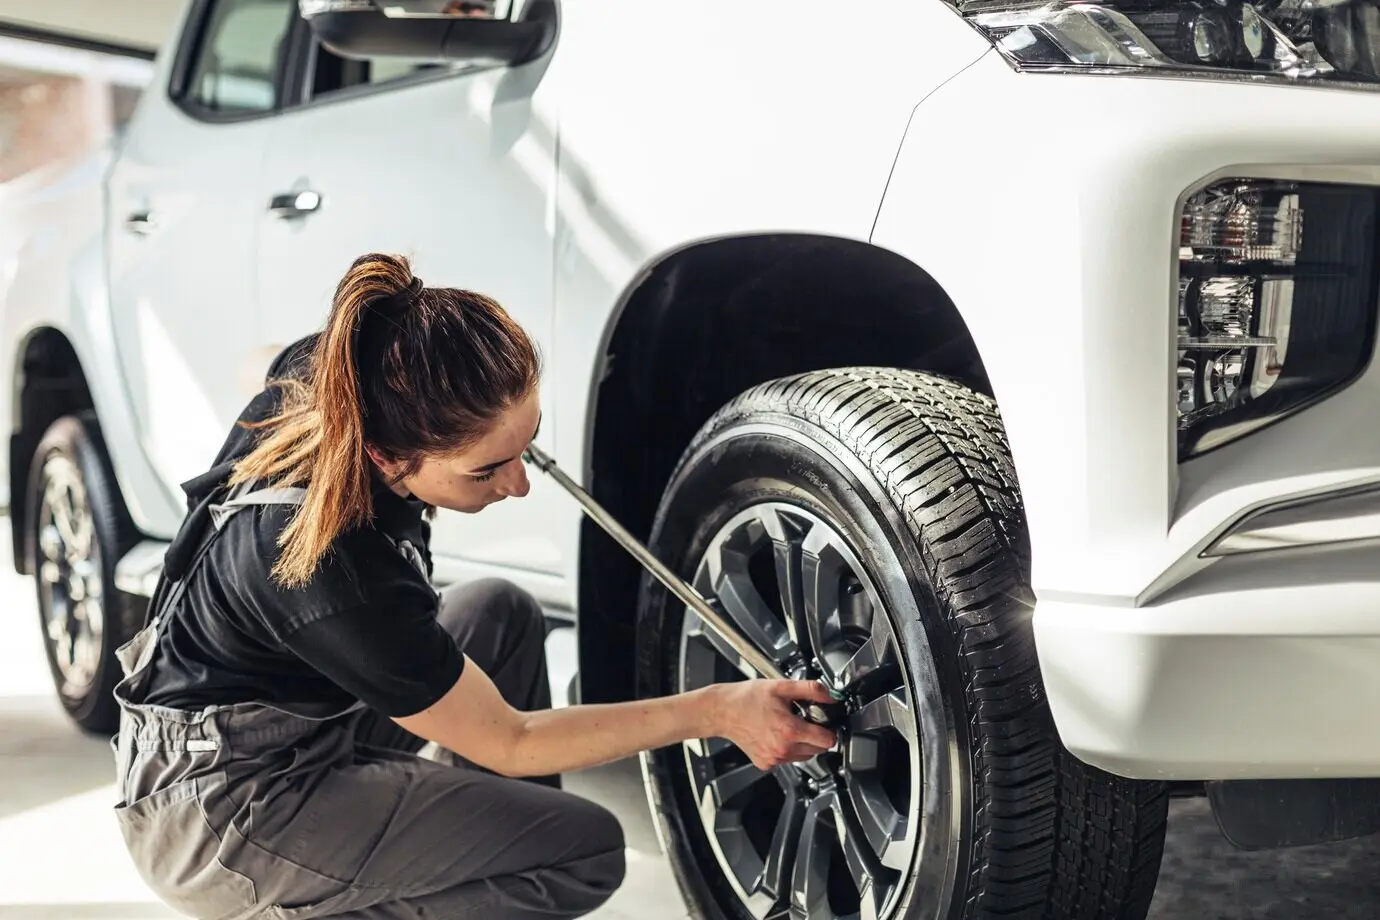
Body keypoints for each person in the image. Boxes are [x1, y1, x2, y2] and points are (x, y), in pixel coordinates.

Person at [109, 252, 840, 920]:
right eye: (487, 469)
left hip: (297, 721)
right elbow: (513, 742)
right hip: (223, 810)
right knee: (583, 849)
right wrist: (719, 710)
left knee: (501, 613)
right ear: (386, 455)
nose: (520, 484)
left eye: (526, 444)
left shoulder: (339, 372)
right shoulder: (332, 566)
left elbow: (257, 363)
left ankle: (459, 852)